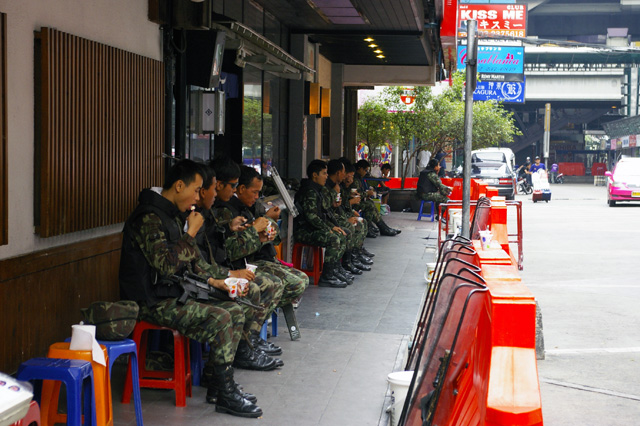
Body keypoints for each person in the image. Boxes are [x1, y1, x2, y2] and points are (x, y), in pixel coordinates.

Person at [118, 159, 262, 418]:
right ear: (179, 185)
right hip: (151, 303)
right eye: (196, 190)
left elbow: (193, 262)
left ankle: (218, 386)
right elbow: (165, 265)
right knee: (223, 317)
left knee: (235, 309)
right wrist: (190, 234)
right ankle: (225, 391)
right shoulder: (148, 217)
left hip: (174, 294)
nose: (199, 196)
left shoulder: (171, 215)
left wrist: (217, 281)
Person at [205, 157, 286, 360]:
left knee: (273, 283)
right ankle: (242, 350)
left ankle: (250, 342)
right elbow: (225, 252)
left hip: (227, 269)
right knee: (258, 288)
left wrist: (257, 232)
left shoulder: (220, 211)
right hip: (213, 275)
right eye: (231, 186)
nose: (232, 191)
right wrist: (226, 275)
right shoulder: (211, 212)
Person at [212, 165, 309, 328]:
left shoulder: (248, 207)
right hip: (243, 264)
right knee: (280, 285)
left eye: (259, 193)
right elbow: (232, 250)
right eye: (254, 192)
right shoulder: (224, 211)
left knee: (301, 280)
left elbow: (268, 238)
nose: (257, 197)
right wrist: (257, 231)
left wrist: (266, 233)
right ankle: (254, 328)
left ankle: (259, 318)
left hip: (257, 259)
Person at [294, 160, 349, 288]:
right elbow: (311, 216)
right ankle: (327, 276)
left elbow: (322, 213)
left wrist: (331, 226)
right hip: (304, 231)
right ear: (314, 175)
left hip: (312, 229)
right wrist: (327, 229)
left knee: (341, 234)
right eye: (324, 173)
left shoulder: (316, 190)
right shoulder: (310, 191)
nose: (326, 176)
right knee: (334, 238)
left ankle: (335, 269)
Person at [326, 159, 373, 278]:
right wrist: (339, 222)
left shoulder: (337, 186)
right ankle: (343, 264)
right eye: (344, 173)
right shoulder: (326, 188)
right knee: (349, 228)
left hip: (335, 217)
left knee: (361, 222)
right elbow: (326, 212)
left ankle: (354, 256)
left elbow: (336, 207)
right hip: (330, 221)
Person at [352, 159, 401, 236]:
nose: (365, 173)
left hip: (357, 201)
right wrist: (366, 193)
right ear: (360, 169)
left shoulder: (359, 178)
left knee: (371, 203)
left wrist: (367, 194)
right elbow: (356, 193)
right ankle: (377, 227)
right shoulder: (354, 179)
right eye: (365, 170)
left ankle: (380, 226)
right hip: (352, 203)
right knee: (369, 205)